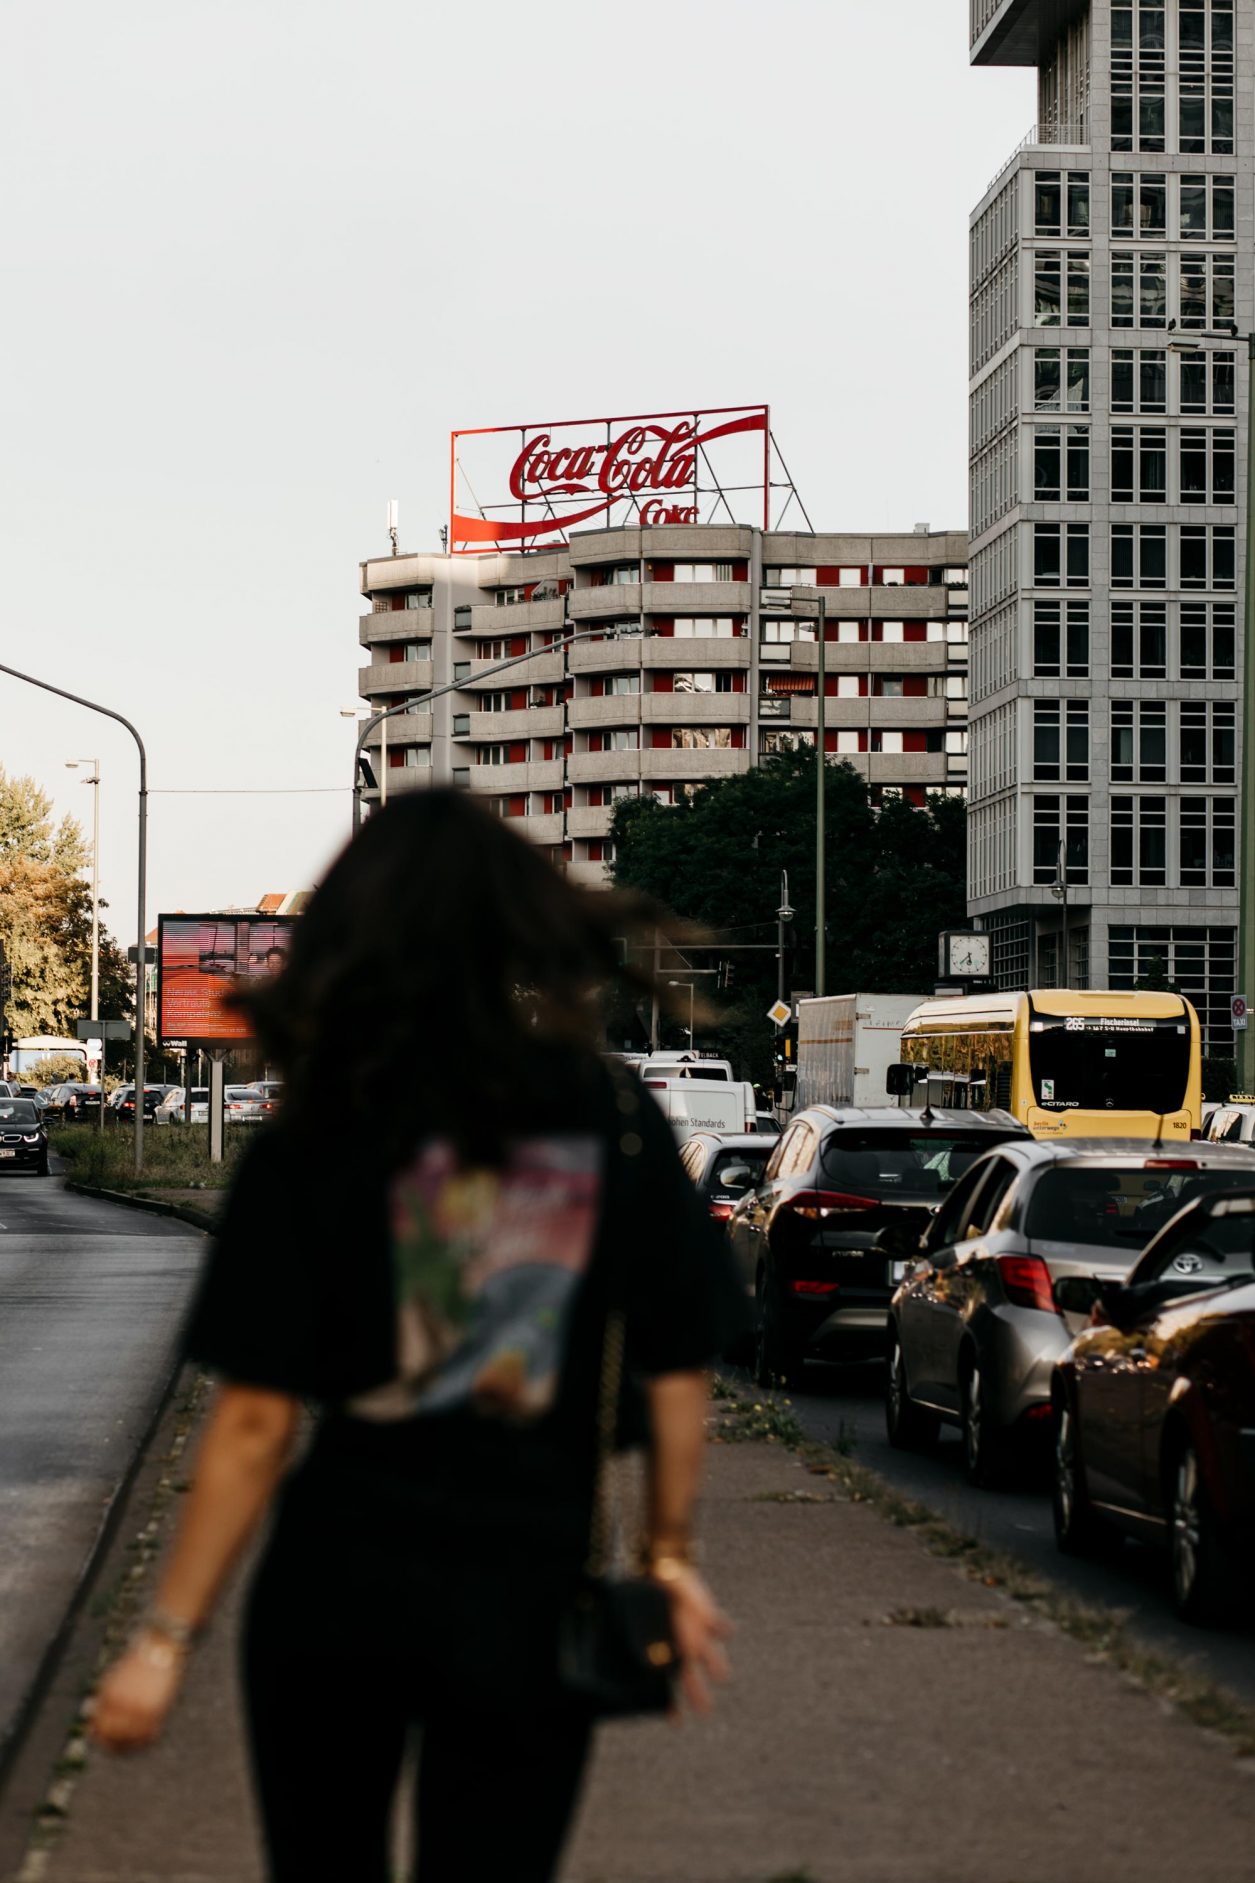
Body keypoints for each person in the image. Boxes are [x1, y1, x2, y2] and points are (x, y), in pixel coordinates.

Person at [91, 788, 747, 1883]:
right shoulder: (609, 1114)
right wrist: (667, 1558)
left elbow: (254, 1422)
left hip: (335, 1590)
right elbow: (680, 1368)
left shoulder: (321, 1122)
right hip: (525, 1597)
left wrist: (164, 1640)